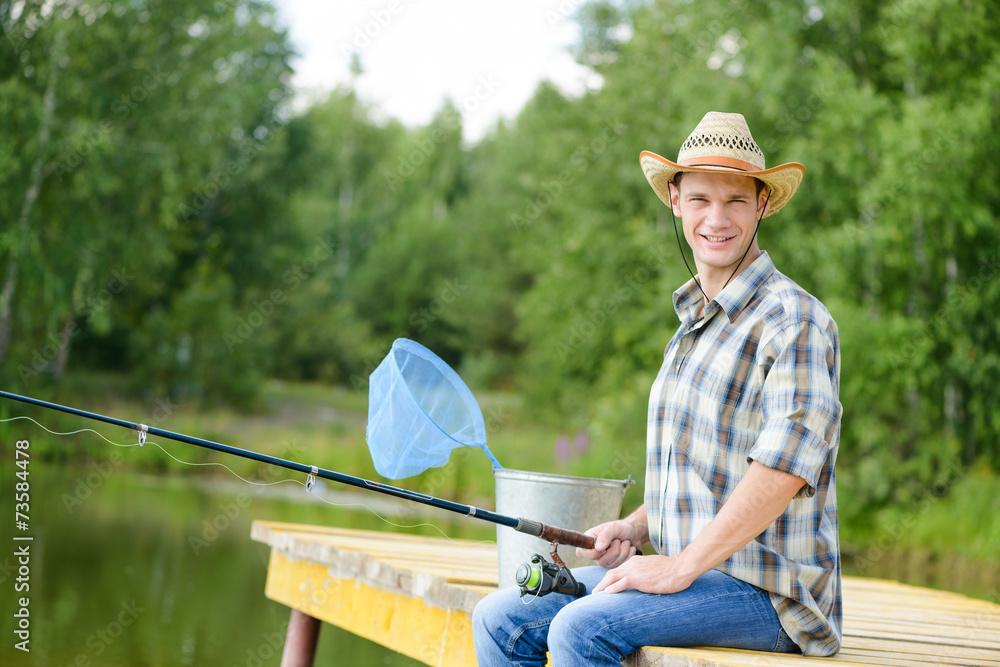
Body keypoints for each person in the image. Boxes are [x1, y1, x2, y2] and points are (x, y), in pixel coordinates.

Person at [472, 111, 843, 665]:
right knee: (499, 617)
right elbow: (699, 471)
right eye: (700, 199)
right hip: (695, 574)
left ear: (762, 205)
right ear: (674, 200)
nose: (717, 218)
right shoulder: (693, 325)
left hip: (770, 595)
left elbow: (785, 470)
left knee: (580, 628)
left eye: (736, 200)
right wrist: (633, 527)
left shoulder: (796, 320)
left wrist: (677, 566)